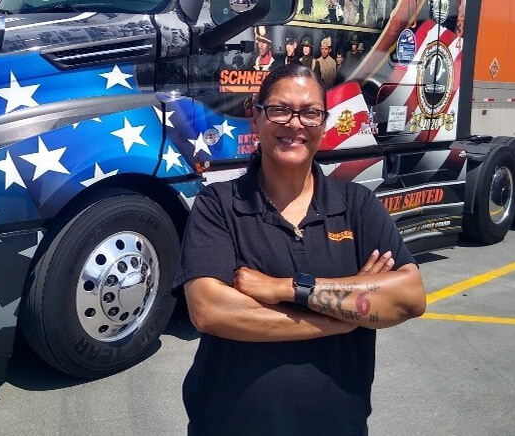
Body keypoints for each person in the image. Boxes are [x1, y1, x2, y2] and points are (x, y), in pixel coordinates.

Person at [175, 63, 426, 435]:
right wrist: (341, 317)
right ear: (255, 118)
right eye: (279, 109)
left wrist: (288, 289)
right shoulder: (219, 205)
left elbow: (408, 297)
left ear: (323, 125)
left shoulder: (356, 204)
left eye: (310, 112)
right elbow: (210, 311)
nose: (295, 124)